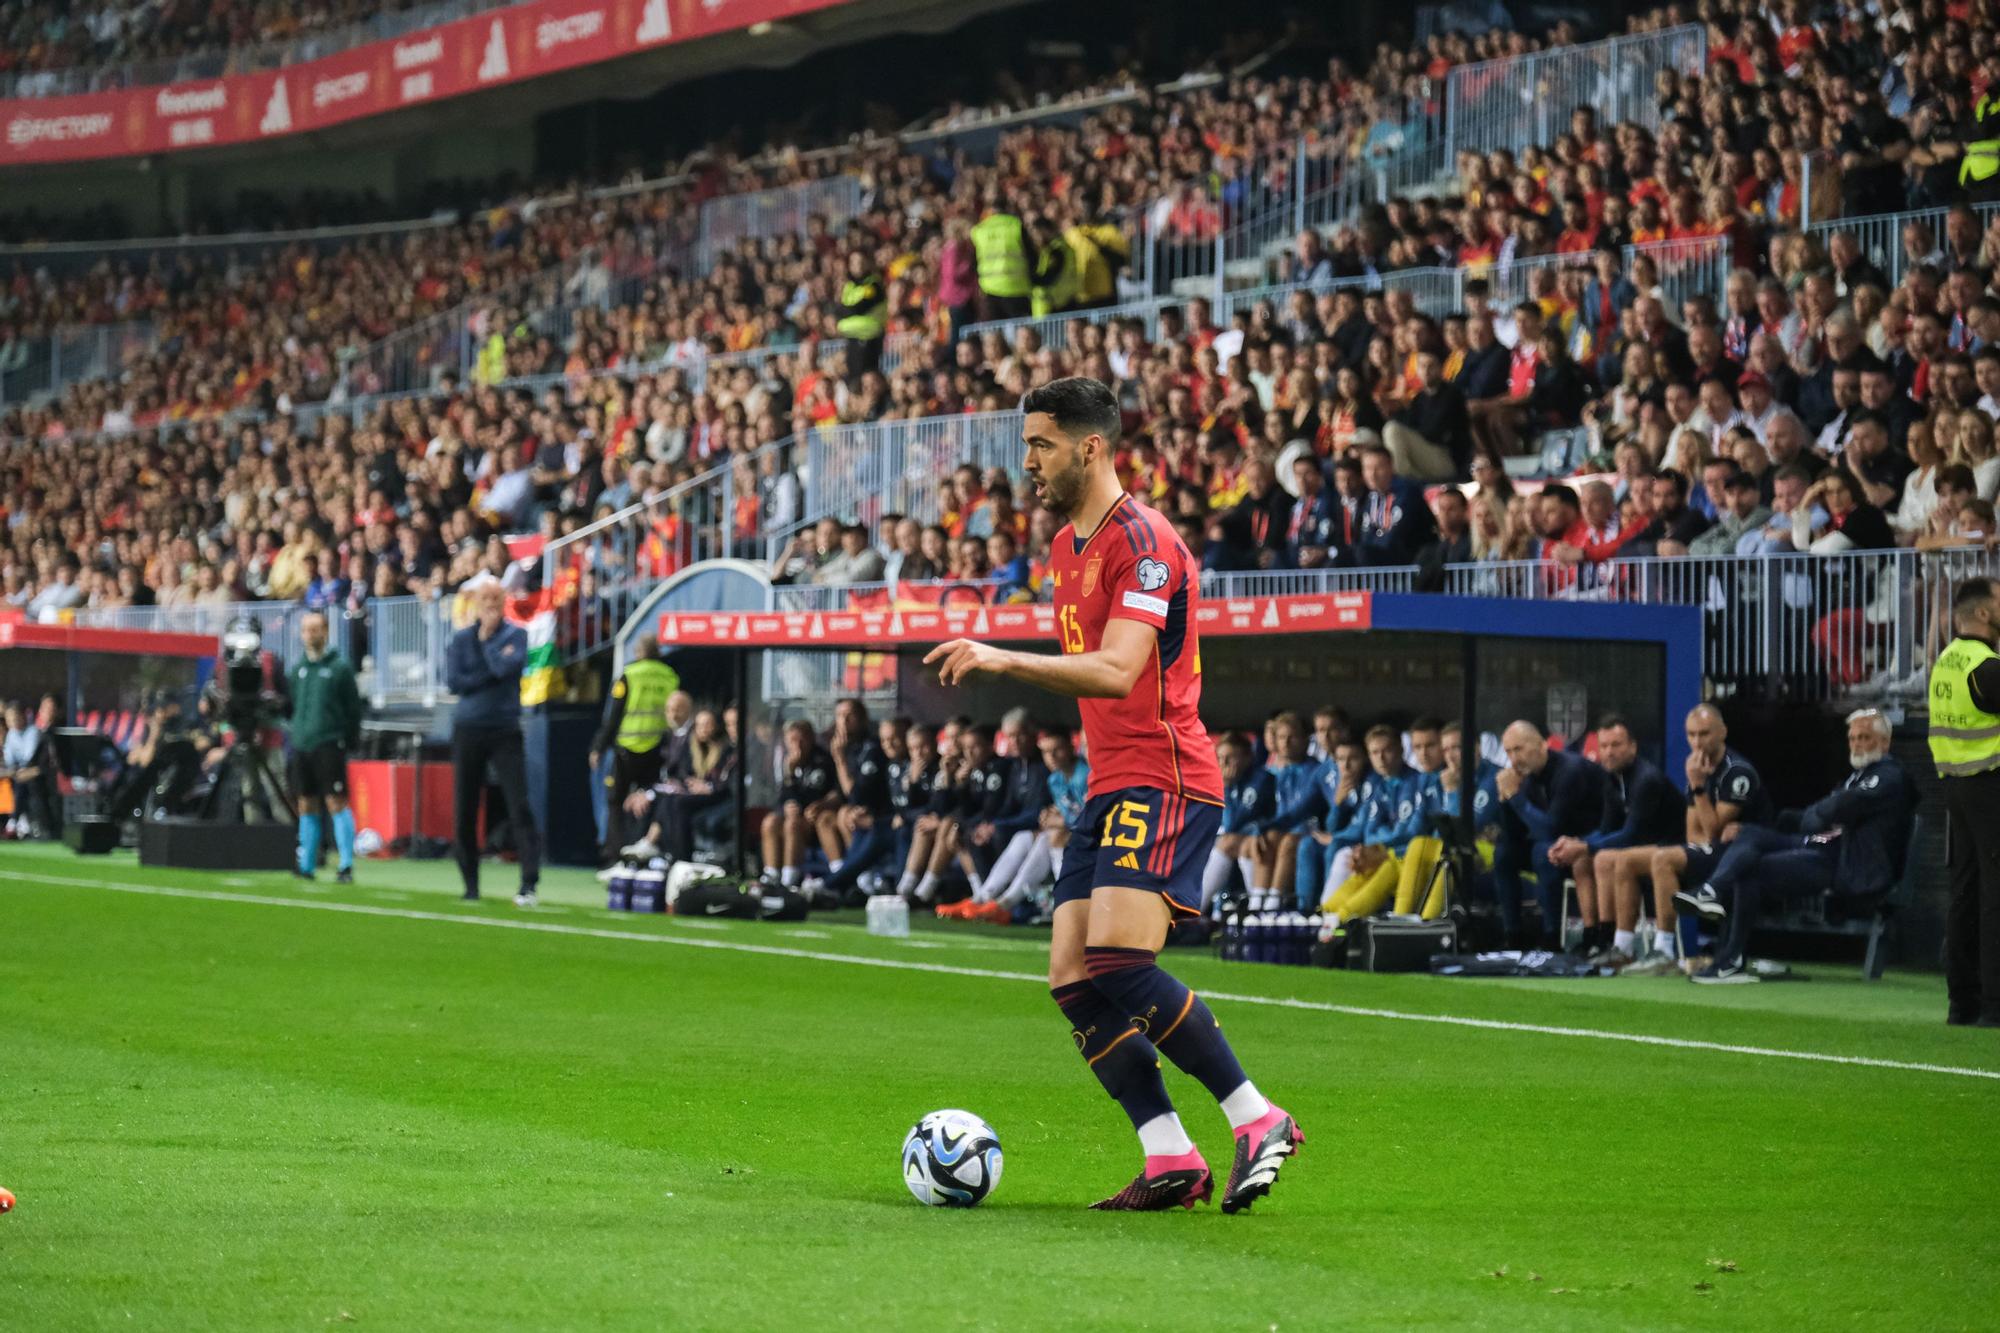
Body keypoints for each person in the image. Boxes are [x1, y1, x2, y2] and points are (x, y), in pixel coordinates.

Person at [924, 376, 1300, 1214]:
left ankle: (1257, 1115)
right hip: (1110, 783)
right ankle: (1168, 1154)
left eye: (1041, 446)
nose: (1027, 463)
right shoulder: (1066, 548)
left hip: (1165, 775)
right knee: (1073, 974)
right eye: (1027, 445)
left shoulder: (1147, 540)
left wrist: (1001, 657)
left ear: (1091, 446)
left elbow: (1120, 668)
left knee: (1121, 961)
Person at [1673, 709, 1916, 984]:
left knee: (1749, 869)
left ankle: (1729, 960)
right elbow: (1823, 814)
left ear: (1885, 742)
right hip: (1820, 846)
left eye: (1865, 738)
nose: (1857, 744)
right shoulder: (1856, 776)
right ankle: (1712, 892)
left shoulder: (1889, 774)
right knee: (1748, 832)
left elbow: (1840, 806)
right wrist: (1816, 816)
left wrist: (1820, 814)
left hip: (1843, 863)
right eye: (1852, 738)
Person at [1930, 577, 2000, 1026]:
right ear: (1983, 613)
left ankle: (1963, 1002)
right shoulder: (1987, 666)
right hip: (1990, 783)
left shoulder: (1946, 661)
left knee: (1965, 892)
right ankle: (1996, 1006)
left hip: (1955, 785)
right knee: (1995, 897)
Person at [445, 582, 541, 907]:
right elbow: (455, 682)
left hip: (504, 728)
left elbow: (506, 667)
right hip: (468, 727)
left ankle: (529, 882)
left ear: (503, 603)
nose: (489, 605)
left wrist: (486, 647)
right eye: (484, 599)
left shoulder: (517, 635)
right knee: (465, 809)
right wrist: (489, 669)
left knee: (519, 804)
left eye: (495, 600)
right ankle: (469, 884)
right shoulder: (460, 639)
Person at [1566, 715, 1683, 968]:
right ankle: (1597, 939)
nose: (1609, 752)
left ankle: (1620, 943)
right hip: (1641, 849)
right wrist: (1576, 844)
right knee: (1583, 861)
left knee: (1608, 858)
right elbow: (1607, 829)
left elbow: (1632, 834)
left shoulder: (1646, 779)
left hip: (1673, 847)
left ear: (1633, 746)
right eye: (1604, 746)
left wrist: (1585, 846)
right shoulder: (1611, 780)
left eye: (1616, 745)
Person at [1492, 721, 1605, 949]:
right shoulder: (1526, 775)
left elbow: (1550, 829)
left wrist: (1515, 797)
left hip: (1589, 843)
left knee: (1543, 851)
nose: (1514, 759)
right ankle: (1512, 935)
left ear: (1541, 745)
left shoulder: (1569, 771)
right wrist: (1505, 799)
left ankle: (1552, 936)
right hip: (1557, 844)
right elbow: (1513, 832)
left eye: (1519, 749)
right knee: (1504, 853)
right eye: (1508, 751)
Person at [286, 610, 363, 883]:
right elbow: (292, 705)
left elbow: (353, 708)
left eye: (316, 629)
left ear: (325, 632)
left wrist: (349, 738)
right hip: (303, 744)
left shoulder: (339, 668)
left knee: (336, 801)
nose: (311, 634)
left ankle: (345, 864)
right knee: (306, 803)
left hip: (329, 743)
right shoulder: (298, 669)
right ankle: (306, 862)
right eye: (307, 629)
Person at [589, 637, 680, 862]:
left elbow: (614, 714)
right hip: (658, 748)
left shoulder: (630, 674)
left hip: (627, 749)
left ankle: (616, 855)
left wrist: (598, 746)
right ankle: (645, 849)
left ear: (639, 651)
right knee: (649, 799)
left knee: (615, 802)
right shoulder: (670, 676)